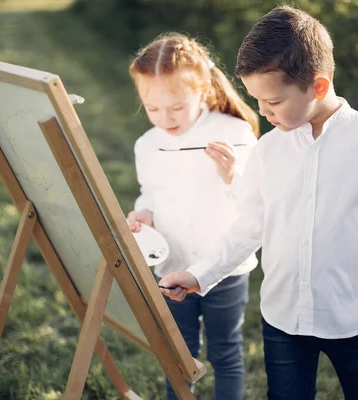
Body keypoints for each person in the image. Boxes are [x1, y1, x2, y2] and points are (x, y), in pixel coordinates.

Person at [159, 6, 358, 400]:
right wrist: (202, 274)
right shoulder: (268, 150)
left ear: (318, 87)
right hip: (283, 319)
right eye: (256, 101)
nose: (262, 112)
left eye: (272, 102)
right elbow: (250, 224)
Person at [126, 32, 260, 400]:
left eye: (176, 107)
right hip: (171, 264)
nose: (164, 118)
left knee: (225, 350)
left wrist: (232, 173)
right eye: (152, 109)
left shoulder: (234, 132)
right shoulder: (147, 144)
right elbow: (150, 190)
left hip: (224, 269)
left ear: (201, 89)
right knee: (177, 353)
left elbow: (258, 202)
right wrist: (144, 213)